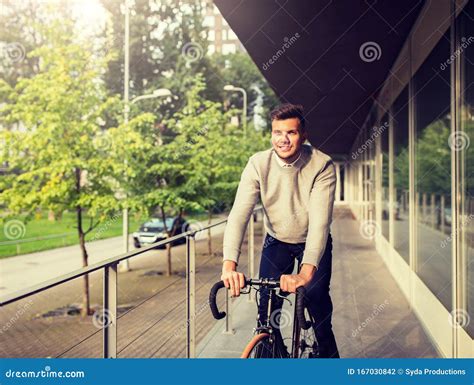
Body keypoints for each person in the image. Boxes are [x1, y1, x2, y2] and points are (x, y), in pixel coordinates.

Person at [221, 103, 340, 358]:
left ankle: (329, 359)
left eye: (291, 133)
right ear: (271, 134)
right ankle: (275, 353)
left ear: (303, 135)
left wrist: (305, 275)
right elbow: (239, 215)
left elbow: (319, 225)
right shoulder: (257, 164)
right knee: (266, 307)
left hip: (312, 241)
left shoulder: (322, 165)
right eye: (277, 132)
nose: (283, 139)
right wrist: (228, 265)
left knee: (316, 300)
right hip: (277, 240)